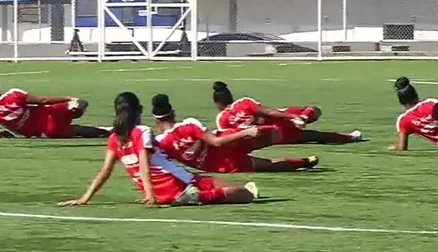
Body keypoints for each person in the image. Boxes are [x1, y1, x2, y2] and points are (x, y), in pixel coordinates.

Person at [59, 92, 259, 207]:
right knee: (245, 193)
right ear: (139, 111)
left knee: (229, 187)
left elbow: (106, 171)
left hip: (164, 193)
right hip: (180, 182)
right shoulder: (142, 131)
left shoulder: (114, 138)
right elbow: (144, 166)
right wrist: (150, 197)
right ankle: (195, 196)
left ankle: (190, 196)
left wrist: (84, 198)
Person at [151, 94, 318, 173]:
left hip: (220, 165)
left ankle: (304, 162)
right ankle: (300, 125)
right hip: (228, 143)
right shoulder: (189, 124)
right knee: (266, 135)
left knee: (268, 164)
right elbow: (215, 142)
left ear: (156, 122)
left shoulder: (160, 142)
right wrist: (246, 132)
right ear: (173, 113)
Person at [212, 81, 361, 144]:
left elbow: (228, 137)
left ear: (218, 103)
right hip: (279, 120)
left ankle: (350, 137)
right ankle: (303, 117)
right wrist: (293, 116)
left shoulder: (221, 119)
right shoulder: (243, 102)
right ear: (230, 96)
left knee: (313, 136)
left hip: (270, 134)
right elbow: (269, 111)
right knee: (314, 110)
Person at [0, 72, 111, 139]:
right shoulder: (14, 93)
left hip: (45, 129)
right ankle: (73, 106)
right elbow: (43, 100)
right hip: (50, 111)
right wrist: (68, 97)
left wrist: (3, 134)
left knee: (79, 131)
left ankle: (108, 131)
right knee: (73, 107)